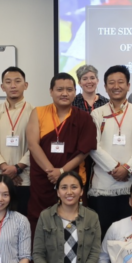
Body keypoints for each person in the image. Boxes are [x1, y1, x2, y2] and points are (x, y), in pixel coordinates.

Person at [26, 73, 98, 231]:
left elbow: (85, 150)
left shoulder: (83, 118)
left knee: (74, 221)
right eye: (59, 89)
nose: (64, 93)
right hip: (44, 178)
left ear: (75, 92)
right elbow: (33, 145)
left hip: (72, 178)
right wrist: (51, 171)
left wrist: (62, 172)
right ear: (51, 91)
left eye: (69, 90)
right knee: (42, 220)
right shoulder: (38, 112)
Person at [90, 65, 132, 238]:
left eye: (121, 82)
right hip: (104, 184)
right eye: (111, 83)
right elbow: (93, 145)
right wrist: (114, 168)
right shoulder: (97, 114)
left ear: (128, 86)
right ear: (105, 87)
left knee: (131, 234)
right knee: (104, 233)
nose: (116, 86)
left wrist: (127, 168)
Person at [0, 66, 33, 217]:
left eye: (17, 81)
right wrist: (7, 169)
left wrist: (17, 168)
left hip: (23, 179)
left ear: (25, 85)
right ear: (2, 87)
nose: (13, 85)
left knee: (21, 221)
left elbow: (35, 147)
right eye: (8, 82)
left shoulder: (34, 112)